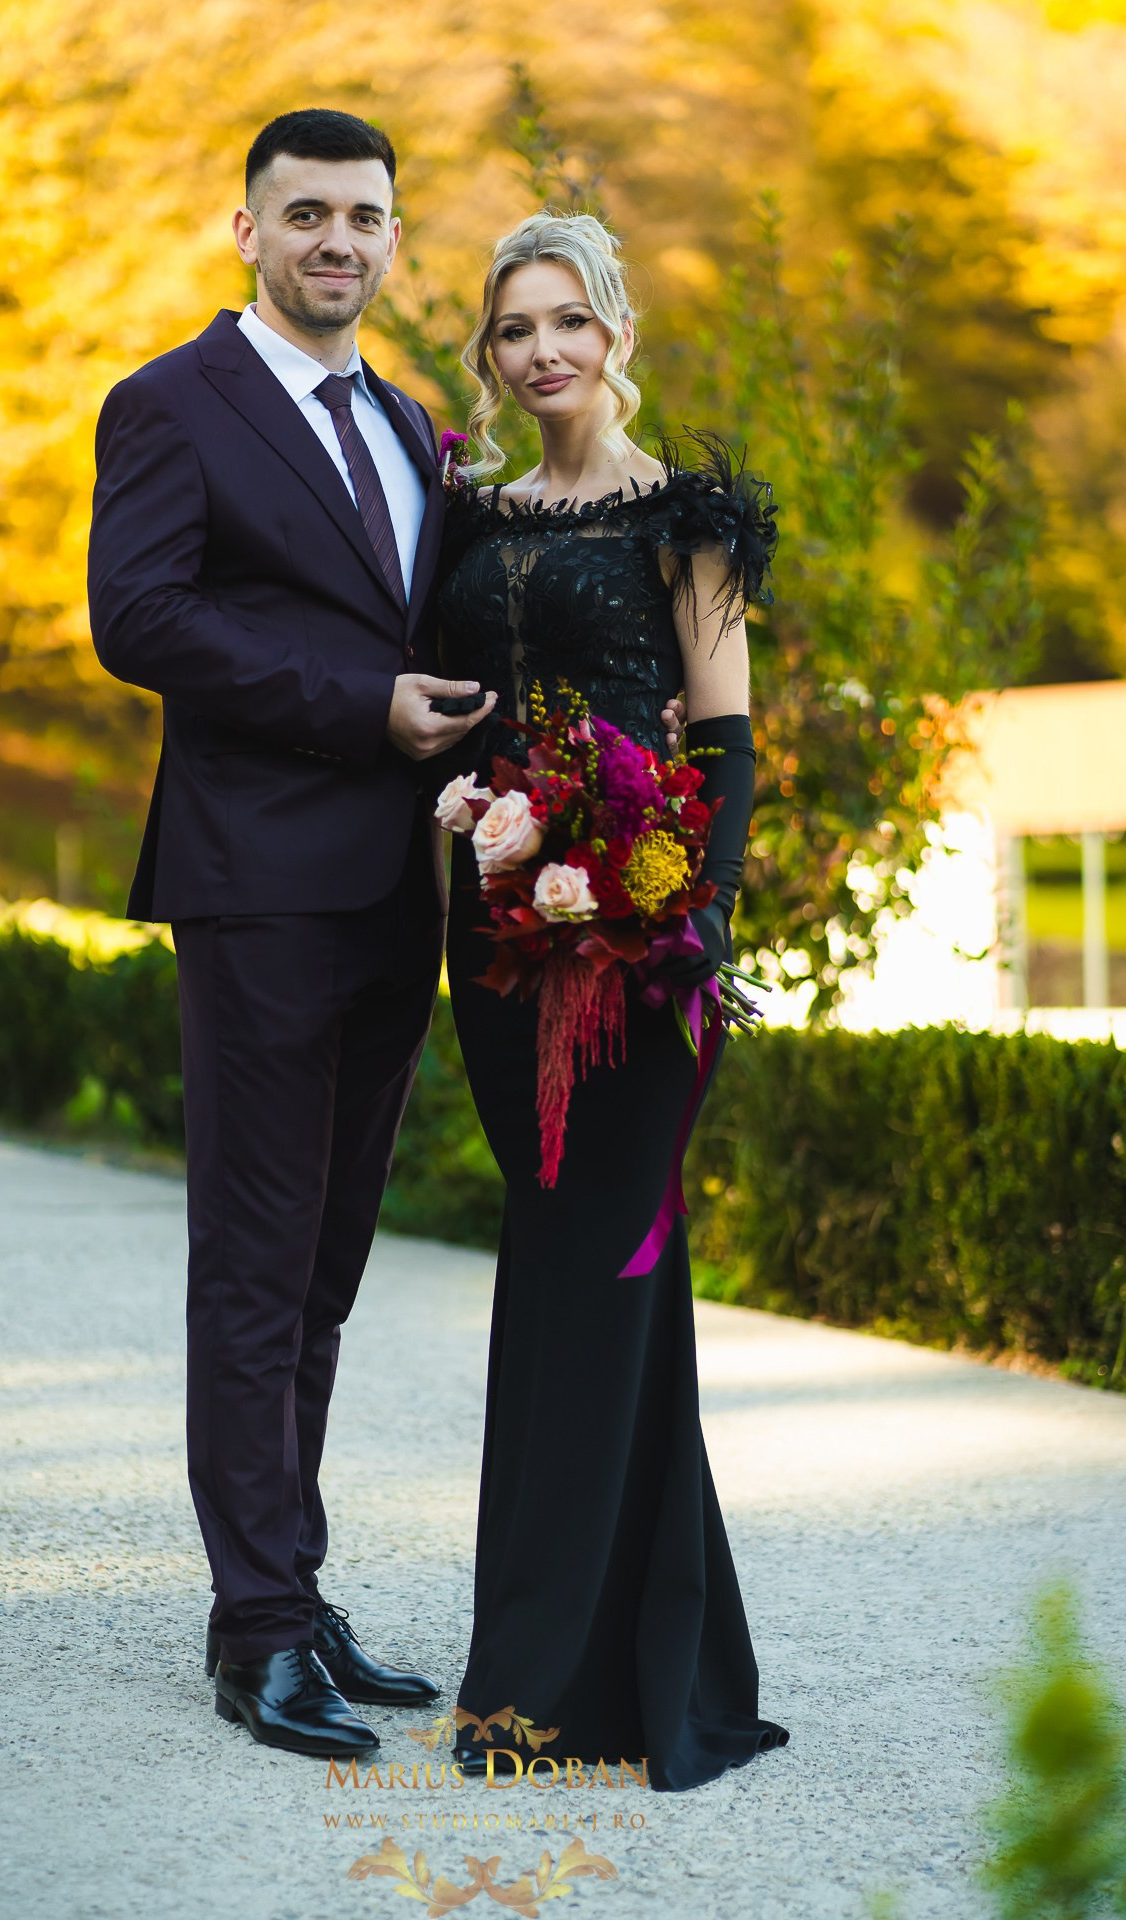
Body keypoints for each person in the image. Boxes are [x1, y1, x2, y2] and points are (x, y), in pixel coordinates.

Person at [87, 108, 499, 1759]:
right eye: (307, 213)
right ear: (246, 230)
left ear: (394, 236)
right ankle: (254, 1632)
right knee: (254, 1271)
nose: (339, 241)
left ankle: (293, 1589)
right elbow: (140, 617)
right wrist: (358, 705)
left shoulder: (407, 421)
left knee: (324, 1274)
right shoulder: (169, 402)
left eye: (366, 216)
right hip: (256, 886)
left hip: (399, 893)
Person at [437, 212, 789, 1790]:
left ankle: (540, 1689)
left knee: (603, 1269)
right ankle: (658, 1663)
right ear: (492, 352)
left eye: (568, 320)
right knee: (561, 1268)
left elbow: (725, 741)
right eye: (515, 329)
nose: (543, 352)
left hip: (641, 957)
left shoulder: (686, 523)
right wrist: (468, 810)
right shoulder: (469, 520)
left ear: (618, 332)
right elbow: (462, 725)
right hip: (501, 943)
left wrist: (692, 921)